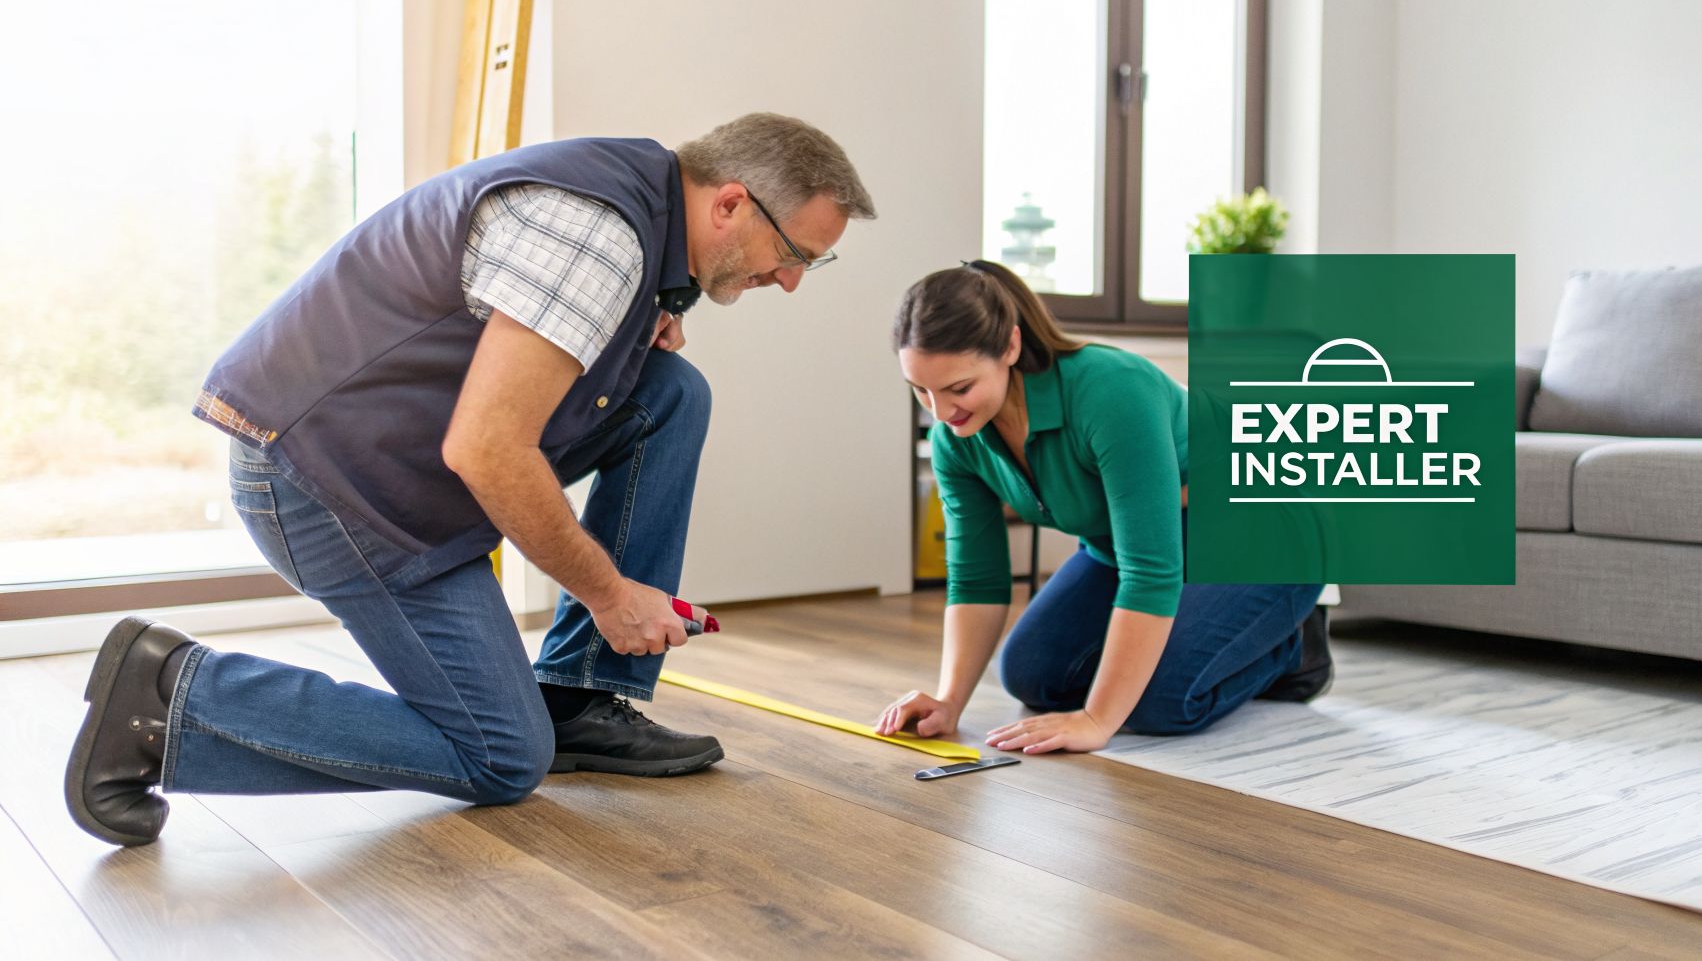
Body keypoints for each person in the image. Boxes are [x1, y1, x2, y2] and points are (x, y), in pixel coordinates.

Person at [66, 113, 876, 847]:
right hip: (328, 484)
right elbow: (488, 450)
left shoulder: (643, 219)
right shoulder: (596, 236)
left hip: (390, 466)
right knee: (501, 758)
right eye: (795, 253)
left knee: (669, 395)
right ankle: (172, 692)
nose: (794, 278)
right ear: (730, 204)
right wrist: (610, 594)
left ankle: (578, 696)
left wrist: (641, 322)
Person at [875, 261, 1327, 755]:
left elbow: (1150, 570)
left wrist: (1096, 719)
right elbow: (977, 581)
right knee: (1032, 673)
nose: (941, 413)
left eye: (959, 388)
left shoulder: (1112, 390)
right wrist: (948, 701)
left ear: (1010, 346)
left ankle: (1290, 647)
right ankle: (1202, 638)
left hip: (1258, 532)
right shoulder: (957, 439)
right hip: (1124, 545)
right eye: (921, 390)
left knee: (1159, 703)